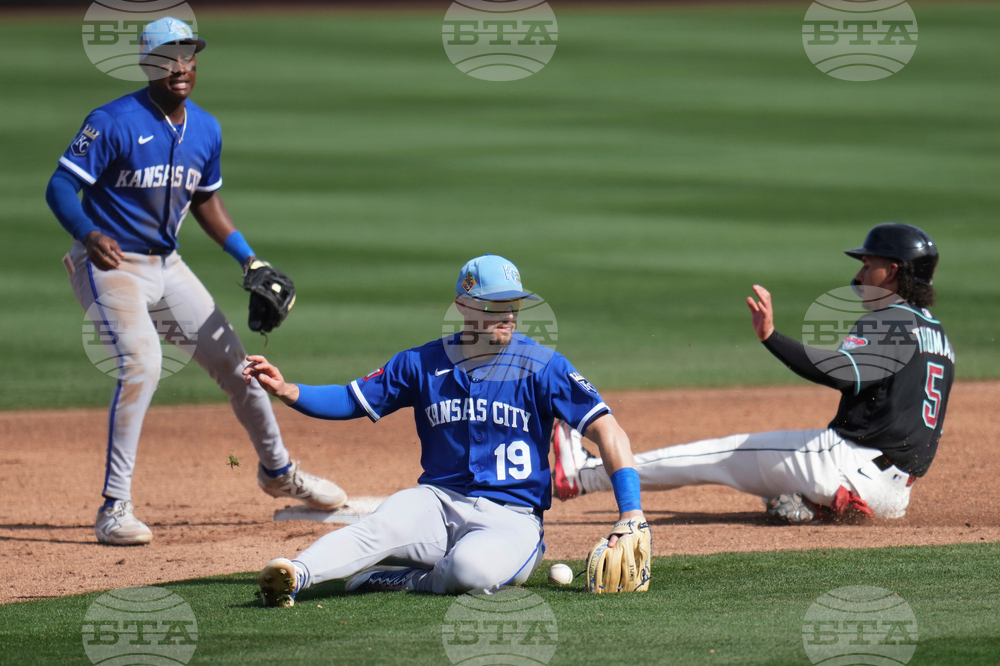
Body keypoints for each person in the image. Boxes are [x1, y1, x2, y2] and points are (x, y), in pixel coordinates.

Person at [44, 17, 345, 546]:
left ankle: (278, 473)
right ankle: (115, 507)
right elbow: (61, 185)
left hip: (167, 265)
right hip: (110, 265)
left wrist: (248, 258)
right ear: (148, 64)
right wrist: (87, 232)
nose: (180, 66)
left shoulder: (205, 128)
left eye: (188, 55)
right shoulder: (112, 121)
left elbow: (205, 198)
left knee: (240, 367)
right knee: (142, 363)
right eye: (167, 57)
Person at [250, 255, 647, 605]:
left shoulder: (544, 365)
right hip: (436, 503)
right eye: (495, 305)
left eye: (513, 304)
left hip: (513, 519)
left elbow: (608, 431)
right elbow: (351, 399)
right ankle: (295, 575)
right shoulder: (421, 363)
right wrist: (288, 390)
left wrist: (631, 512)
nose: (508, 315)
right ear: (464, 306)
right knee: (380, 526)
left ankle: (406, 579)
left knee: (470, 572)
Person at [554, 223, 954, 524]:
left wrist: (771, 337)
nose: (859, 277)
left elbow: (842, 374)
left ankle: (585, 476)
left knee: (717, 456)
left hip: (845, 466)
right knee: (763, 470)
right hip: (895, 496)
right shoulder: (939, 337)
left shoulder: (890, 321)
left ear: (893, 271)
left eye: (868, 265)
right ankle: (814, 504)